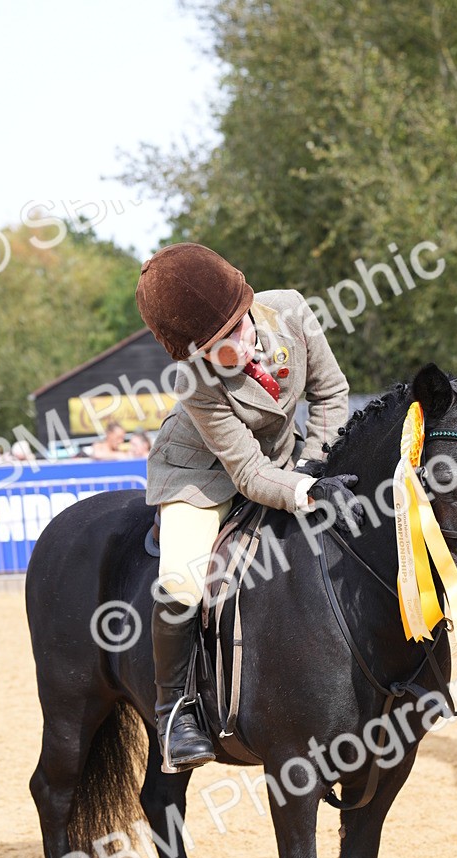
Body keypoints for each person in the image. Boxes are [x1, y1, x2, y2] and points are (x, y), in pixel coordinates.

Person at [136, 241, 363, 772]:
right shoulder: (193, 379)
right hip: (199, 475)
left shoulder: (292, 311)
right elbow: (247, 473)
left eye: (234, 331)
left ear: (248, 304)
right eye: (212, 349)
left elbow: (331, 393)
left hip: (288, 459)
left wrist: (312, 466)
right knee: (182, 582)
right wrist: (304, 490)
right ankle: (175, 715)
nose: (231, 353)